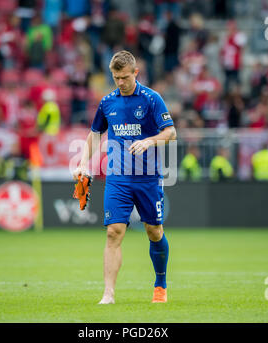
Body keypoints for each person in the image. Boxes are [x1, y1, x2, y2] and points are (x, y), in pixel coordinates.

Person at [73, 50, 176, 304]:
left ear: (135, 73)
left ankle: (160, 284)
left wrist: (149, 141)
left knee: (154, 231)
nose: (120, 82)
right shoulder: (108, 102)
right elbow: (95, 133)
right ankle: (108, 294)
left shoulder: (152, 99)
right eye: (115, 77)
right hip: (117, 177)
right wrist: (83, 163)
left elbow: (170, 132)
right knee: (113, 232)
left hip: (148, 177)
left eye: (124, 77)